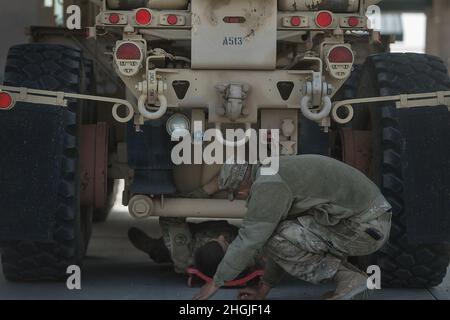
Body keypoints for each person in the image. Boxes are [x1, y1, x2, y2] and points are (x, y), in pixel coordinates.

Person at [193, 155, 392, 300]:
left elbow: (250, 240)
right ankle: (349, 280)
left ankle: (349, 279)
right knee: (280, 234)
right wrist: (264, 289)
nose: (243, 198)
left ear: (242, 188)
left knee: (272, 238)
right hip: (369, 223)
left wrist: (215, 282)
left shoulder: (267, 184)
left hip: (363, 228)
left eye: (237, 194)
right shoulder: (273, 170)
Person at [128, 219, 257, 277]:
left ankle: (152, 247)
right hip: (225, 231)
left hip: (195, 235)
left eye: (220, 242)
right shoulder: (246, 255)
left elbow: (171, 220)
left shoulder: (186, 257)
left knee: (165, 250)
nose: (222, 238)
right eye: (223, 244)